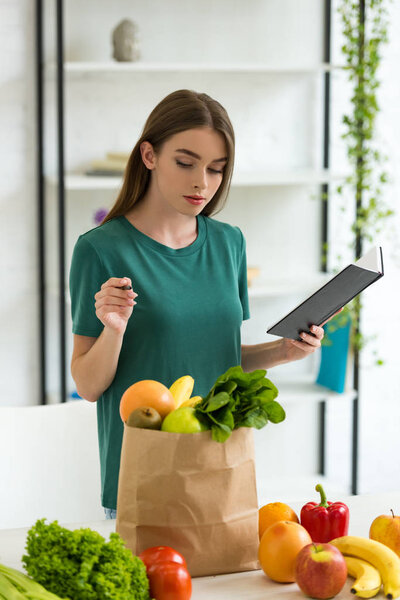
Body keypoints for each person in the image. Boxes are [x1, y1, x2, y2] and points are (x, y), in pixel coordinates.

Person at [69, 89, 327, 519]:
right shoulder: (100, 250)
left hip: (220, 466)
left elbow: (217, 359)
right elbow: (88, 385)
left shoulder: (229, 243)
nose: (201, 183)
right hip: (145, 477)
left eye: (216, 169)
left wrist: (285, 351)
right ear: (149, 155)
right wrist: (114, 328)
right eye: (185, 163)